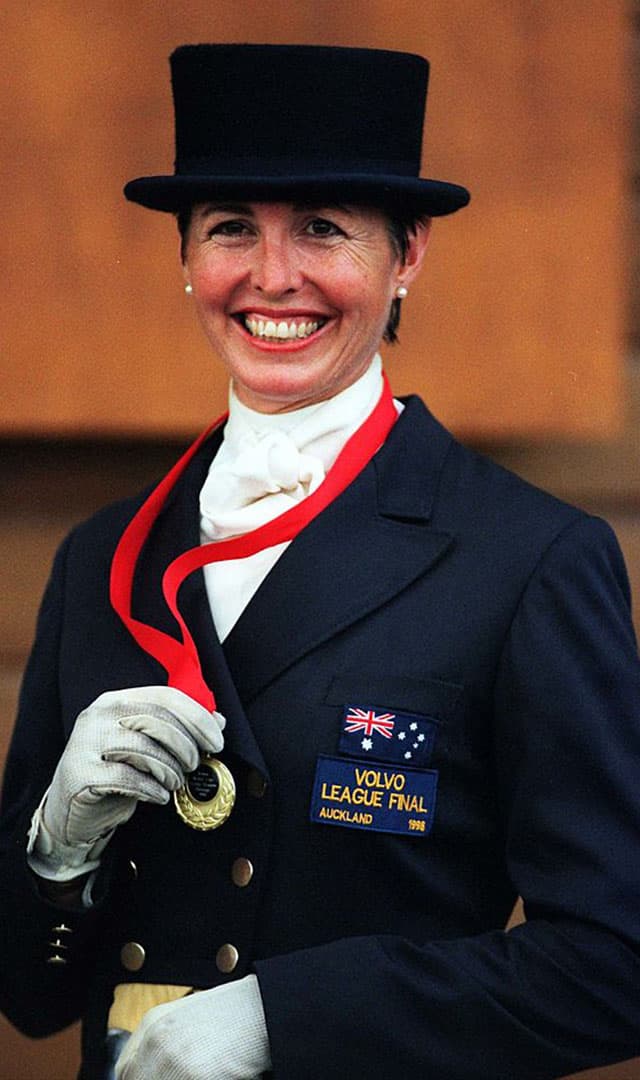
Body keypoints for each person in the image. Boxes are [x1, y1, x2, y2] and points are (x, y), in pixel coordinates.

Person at [1, 42, 639, 1080]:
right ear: (184, 260)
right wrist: (55, 858)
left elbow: (616, 963)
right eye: (229, 232)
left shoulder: (528, 561)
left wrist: (286, 1020)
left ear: (409, 255)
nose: (271, 277)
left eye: (322, 230)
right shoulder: (100, 559)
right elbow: (25, 996)